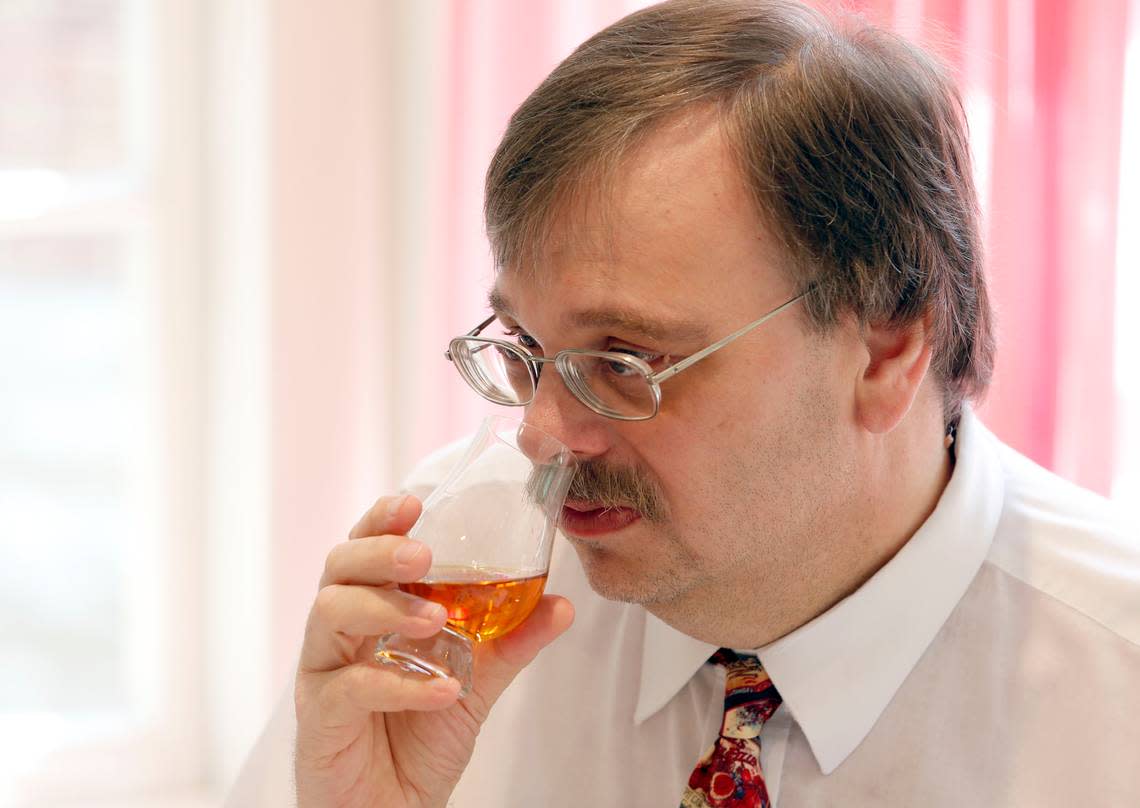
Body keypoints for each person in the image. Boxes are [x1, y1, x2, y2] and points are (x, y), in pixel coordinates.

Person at [226, 1, 1140, 805]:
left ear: (887, 346)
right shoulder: (461, 587)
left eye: (624, 360)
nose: (543, 436)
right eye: (528, 350)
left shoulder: (1117, 693)